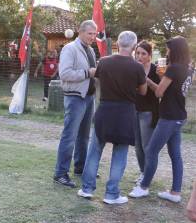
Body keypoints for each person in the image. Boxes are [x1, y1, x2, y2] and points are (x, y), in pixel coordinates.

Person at [77, 31, 147, 205]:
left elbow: (99, 79)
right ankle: (111, 194)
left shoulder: (105, 62)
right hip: (125, 113)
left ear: (117, 43)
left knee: (95, 150)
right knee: (120, 153)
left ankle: (86, 189)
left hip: (105, 110)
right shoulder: (137, 67)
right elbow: (143, 91)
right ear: (134, 46)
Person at [129, 36, 193, 203]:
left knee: (150, 151)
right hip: (180, 116)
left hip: (169, 117)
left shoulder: (173, 69)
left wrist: (148, 80)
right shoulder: (188, 68)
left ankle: (143, 187)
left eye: (169, 49)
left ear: (175, 50)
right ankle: (175, 192)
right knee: (175, 155)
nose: (167, 52)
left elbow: (159, 92)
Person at [53, 20, 97, 188]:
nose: (93, 37)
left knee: (84, 136)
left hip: (89, 96)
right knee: (69, 136)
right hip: (75, 97)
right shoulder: (69, 48)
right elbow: (64, 74)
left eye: (94, 34)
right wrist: (87, 73)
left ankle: (80, 168)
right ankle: (60, 174)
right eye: (90, 33)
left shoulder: (91, 50)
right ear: (80, 32)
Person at [132, 41, 160, 186]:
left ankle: (147, 176)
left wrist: (146, 80)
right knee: (137, 145)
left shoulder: (156, 70)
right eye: (138, 53)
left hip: (149, 111)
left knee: (147, 146)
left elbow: (159, 92)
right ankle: (143, 173)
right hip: (134, 110)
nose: (140, 56)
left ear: (149, 56)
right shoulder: (133, 68)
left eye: (143, 54)